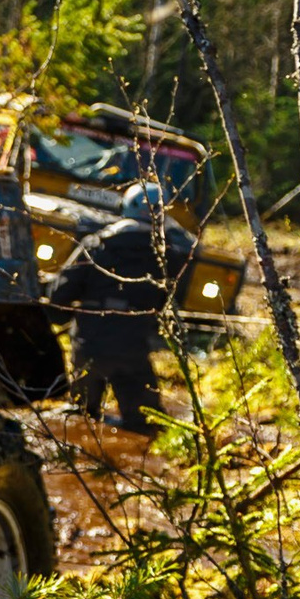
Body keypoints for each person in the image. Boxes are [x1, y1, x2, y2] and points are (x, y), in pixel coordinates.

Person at [44, 181, 196, 431]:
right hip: (133, 348)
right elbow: (171, 300)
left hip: (88, 344)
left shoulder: (97, 244)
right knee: (147, 425)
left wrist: (57, 316)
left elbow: (61, 292)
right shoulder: (171, 254)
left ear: (126, 205)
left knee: (80, 420)